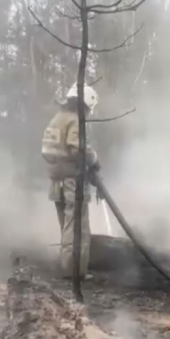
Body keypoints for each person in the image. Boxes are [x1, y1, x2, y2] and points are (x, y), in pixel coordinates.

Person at [42, 83, 100, 279]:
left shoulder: (57, 119)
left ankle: (68, 266)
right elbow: (78, 149)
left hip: (56, 179)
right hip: (72, 180)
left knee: (66, 224)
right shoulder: (75, 120)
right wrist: (94, 159)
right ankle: (75, 271)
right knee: (77, 226)